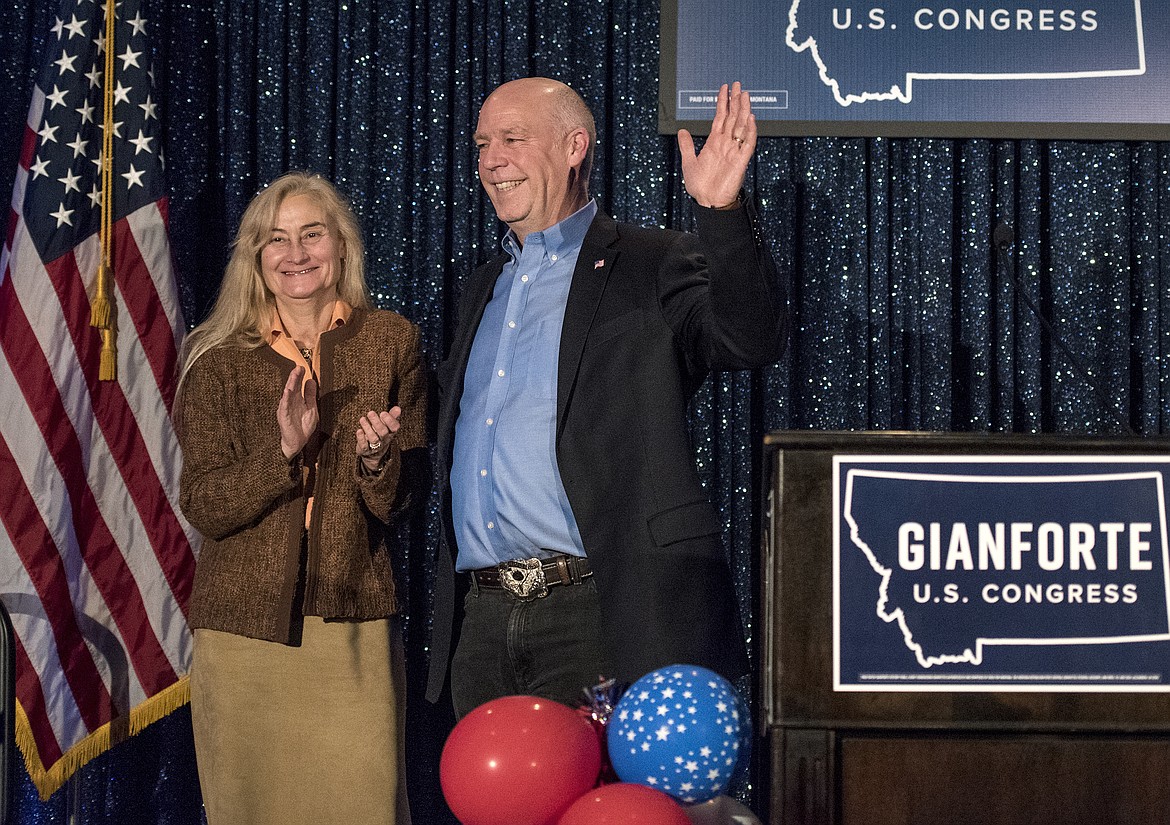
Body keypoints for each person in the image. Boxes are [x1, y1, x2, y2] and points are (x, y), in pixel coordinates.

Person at [427, 78, 787, 717]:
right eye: (483, 143)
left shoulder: (652, 261)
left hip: (601, 613)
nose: (490, 160)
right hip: (481, 623)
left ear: (574, 147)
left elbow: (748, 339)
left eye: (512, 139)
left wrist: (721, 212)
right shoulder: (482, 288)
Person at [176, 171, 425, 824]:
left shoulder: (391, 341)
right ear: (256, 258)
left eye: (312, 233)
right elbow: (205, 503)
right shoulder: (217, 359)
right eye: (276, 239)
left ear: (341, 245)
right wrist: (281, 453)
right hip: (243, 636)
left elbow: (404, 502)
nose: (296, 253)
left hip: (353, 623)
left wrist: (377, 460)